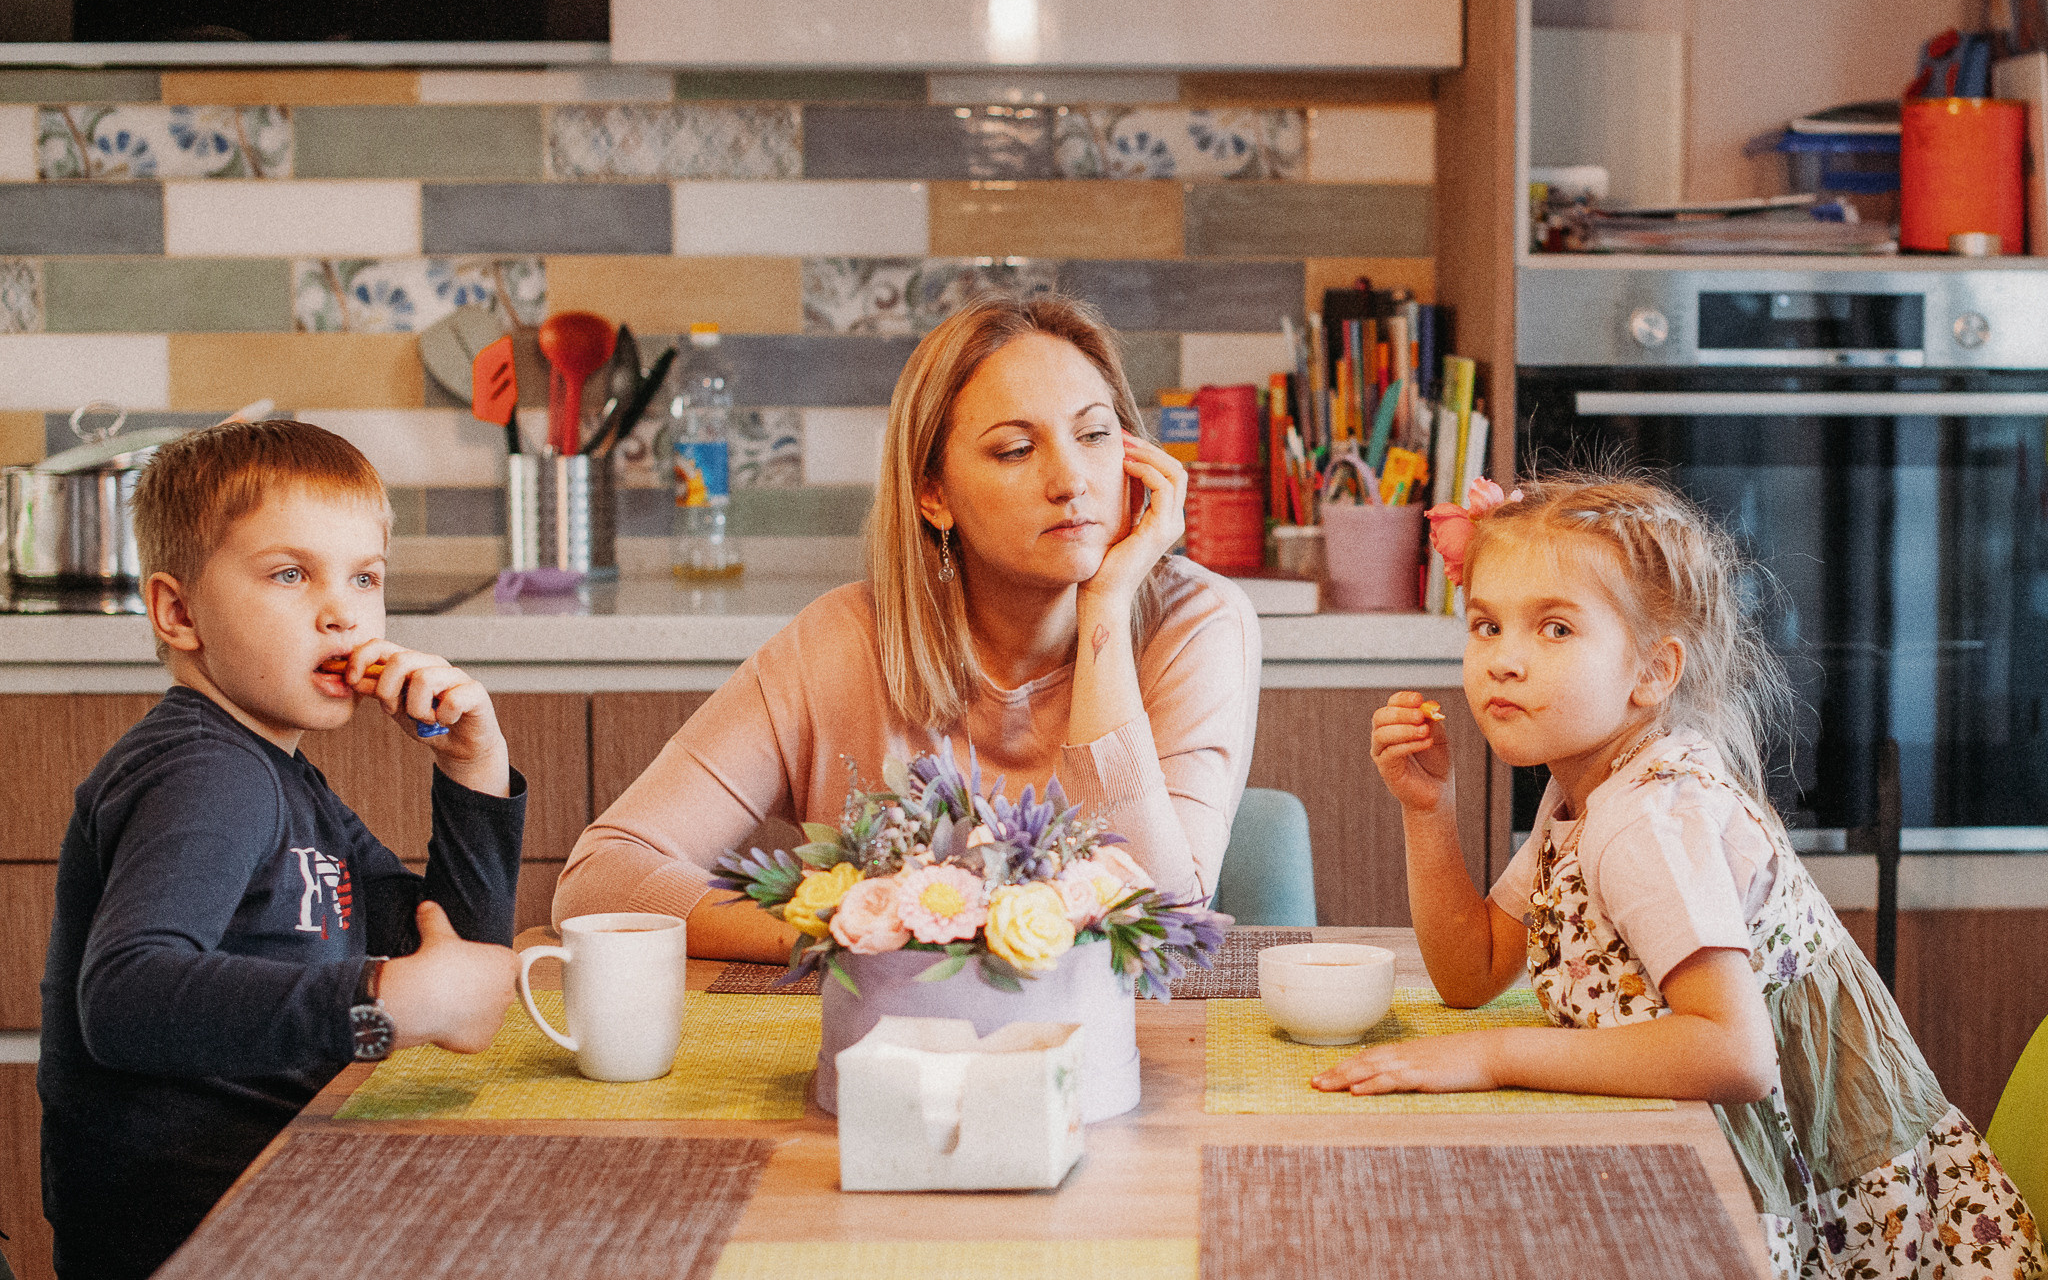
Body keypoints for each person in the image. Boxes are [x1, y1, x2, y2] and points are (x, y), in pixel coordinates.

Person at [1311, 471, 2044, 1279]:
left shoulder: (1648, 818)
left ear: (1653, 672)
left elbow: (1734, 1052)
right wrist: (1428, 810)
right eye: (1486, 625)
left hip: (1841, 1218)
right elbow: (1473, 969)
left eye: (1555, 628)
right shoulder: (1585, 788)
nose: (1504, 660)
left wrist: (1492, 1057)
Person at [555, 293, 1262, 960]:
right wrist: (846, 926)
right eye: (1017, 449)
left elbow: (1161, 923)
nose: (1071, 479)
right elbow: (600, 877)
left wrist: (1105, 608)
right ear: (933, 494)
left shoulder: (1195, 624)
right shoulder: (842, 642)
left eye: (1095, 434)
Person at [40, 421, 527, 1280]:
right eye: (290, 573)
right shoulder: (203, 772)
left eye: (365, 577)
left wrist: (473, 770)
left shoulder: (282, 777)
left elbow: (449, 953)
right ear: (178, 611)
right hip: (198, 1244)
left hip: (288, 1212)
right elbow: (122, 999)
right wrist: (379, 999)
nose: (341, 609)